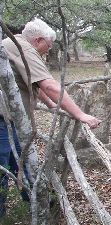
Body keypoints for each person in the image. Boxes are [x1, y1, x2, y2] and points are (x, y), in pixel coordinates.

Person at [0, 18, 100, 217]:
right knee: (4, 167)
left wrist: (49, 103)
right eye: (48, 44)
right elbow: (49, 85)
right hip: (3, 122)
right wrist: (80, 114)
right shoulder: (24, 48)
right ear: (38, 40)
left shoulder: (11, 43)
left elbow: (32, 81)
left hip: (11, 121)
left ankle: (39, 205)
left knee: (23, 162)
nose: (50, 48)